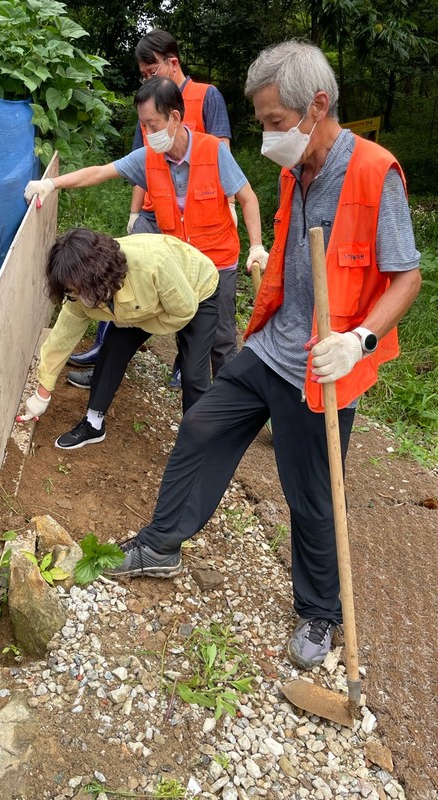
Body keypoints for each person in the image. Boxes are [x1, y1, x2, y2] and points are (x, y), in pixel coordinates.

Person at [102, 41, 422, 671]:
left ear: (317, 106)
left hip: (326, 361)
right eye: (264, 123)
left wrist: (357, 340)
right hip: (274, 345)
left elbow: (406, 278)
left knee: (310, 495)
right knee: (201, 422)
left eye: (276, 122)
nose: (269, 136)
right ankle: (162, 545)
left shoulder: (373, 173)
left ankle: (321, 613)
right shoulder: (292, 167)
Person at [24, 77, 266, 390]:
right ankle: (195, 394)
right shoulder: (149, 158)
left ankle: (229, 404)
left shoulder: (212, 151)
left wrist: (257, 246)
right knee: (187, 337)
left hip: (218, 264)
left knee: (221, 341)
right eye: (143, 126)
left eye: (152, 125)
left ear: (175, 117)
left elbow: (248, 197)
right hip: (180, 266)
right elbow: (100, 172)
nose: (148, 134)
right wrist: (52, 184)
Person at [68, 28, 236, 386]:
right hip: (156, 212)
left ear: (171, 63)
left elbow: (222, 153)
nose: (146, 78)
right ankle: (105, 357)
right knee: (116, 271)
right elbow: (138, 166)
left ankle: (199, 371)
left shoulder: (207, 96)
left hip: (200, 216)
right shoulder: (148, 104)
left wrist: (230, 200)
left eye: (150, 71)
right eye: (142, 74)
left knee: (204, 300)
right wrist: (134, 214)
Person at [16, 228, 219, 449]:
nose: (80, 298)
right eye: (72, 290)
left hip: (195, 290)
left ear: (101, 277)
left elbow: (182, 313)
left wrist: (133, 322)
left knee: (193, 372)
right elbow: (61, 339)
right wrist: (42, 394)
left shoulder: (154, 265)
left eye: (83, 290)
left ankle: (198, 444)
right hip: (137, 306)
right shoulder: (77, 289)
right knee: (113, 345)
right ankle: (93, 424)